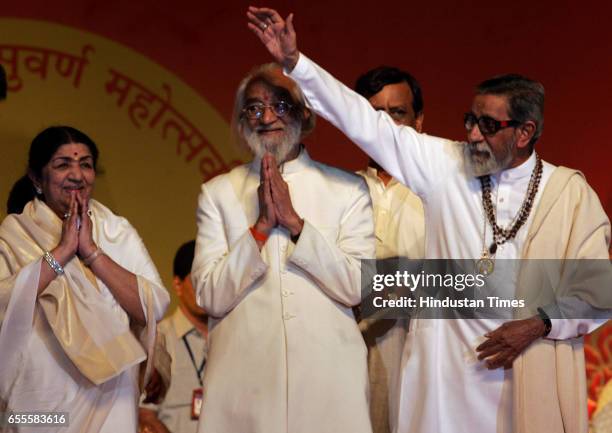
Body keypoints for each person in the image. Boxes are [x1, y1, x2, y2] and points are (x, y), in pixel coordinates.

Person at [247, 8, 612, 433]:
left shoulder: (567, 193)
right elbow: (364, 122)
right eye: (470, 120)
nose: (473, 134)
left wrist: (538, 324)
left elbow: (600, 287)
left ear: (525, 132)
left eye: (489, 125)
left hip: (525, 375)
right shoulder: (445, 165)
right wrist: (296, 62)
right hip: (445, 383)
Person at [191, 63, 375, 433]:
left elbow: (358, 286)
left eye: (280, 104)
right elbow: (208, 294)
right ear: (243, 121)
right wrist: (259, 230)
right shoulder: (219, 193)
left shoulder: (346, 189)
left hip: (328, 383)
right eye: (255, 108)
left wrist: (296, 225)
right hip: (243, 386)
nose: (267, 117)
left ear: (305, 115)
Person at [0, 126, 170, 432]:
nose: (77, 175)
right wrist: (62, 253)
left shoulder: (117, 231)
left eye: (86, 164)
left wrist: (92, 253)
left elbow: (153, 307)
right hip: (40, 401)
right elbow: (4, 302)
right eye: (63, 164)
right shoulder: (15, 234)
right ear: (37, 178)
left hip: (113, 398)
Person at [355, 66, 426, 433]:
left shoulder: (441, 196)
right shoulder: (338, 193)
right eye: (373, 114)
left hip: (425, 365)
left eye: (397, 113)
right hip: (351, 366)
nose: (384, 125)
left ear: (418, 122)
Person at [139, 240, 208, 433]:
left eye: (211, 280)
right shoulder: (159, 338)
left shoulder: (231, 338)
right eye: (197, 280)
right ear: (177, 285)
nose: (206, 289)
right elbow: (144, 415)